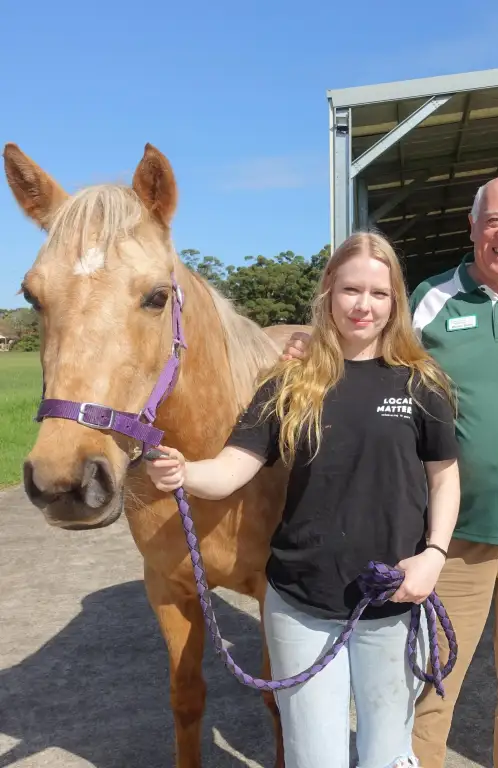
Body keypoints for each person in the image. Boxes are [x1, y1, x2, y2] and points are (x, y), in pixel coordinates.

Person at [281, 175, 498, 767]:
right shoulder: (431, 298)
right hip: (448, 542)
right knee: (428, 687)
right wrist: (307, 347)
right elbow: (366, 352)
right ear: (473, 228)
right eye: (494, 220)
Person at [145, 232, 461, 768]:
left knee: (387, 755)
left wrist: (434, 555)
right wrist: (184, 473)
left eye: (378, 294)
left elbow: (445, 479)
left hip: (394, 599)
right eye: (350, 290)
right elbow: (232, 469)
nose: (363, 305)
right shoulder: (290, 384)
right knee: (314, 758)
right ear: (328, 295)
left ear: (395, 302)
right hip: (300, 605)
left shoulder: (421, 383)